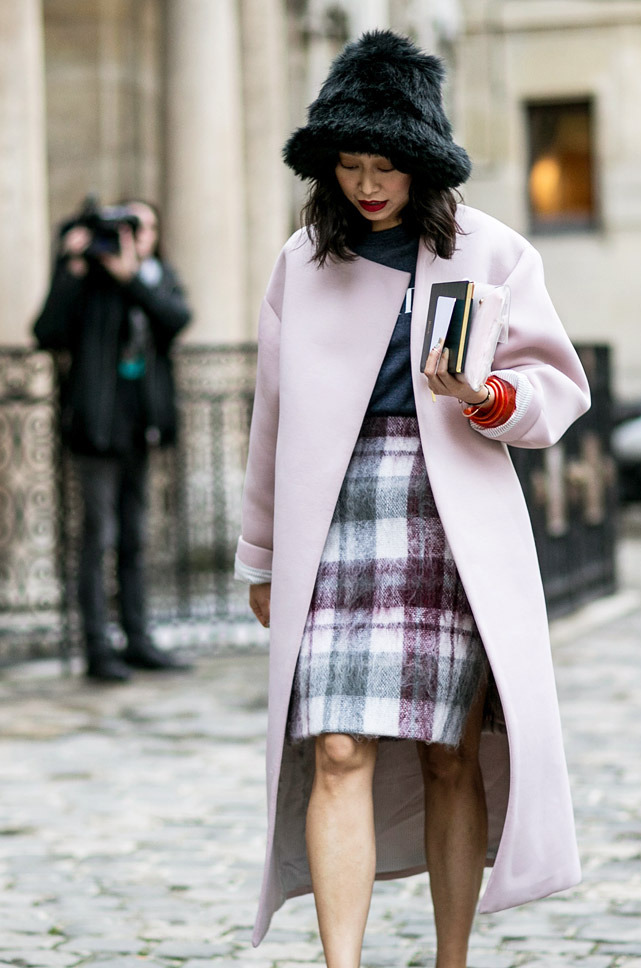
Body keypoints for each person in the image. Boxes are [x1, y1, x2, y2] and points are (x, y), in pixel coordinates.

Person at [235, 30, 590, 968]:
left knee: (448, 751)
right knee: (336, 747)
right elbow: (271, 419)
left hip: (450, 520)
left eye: (384, 165)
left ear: (421, 161)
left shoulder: (492, 250)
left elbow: (557, 392)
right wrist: (261, 557)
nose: (366, 184)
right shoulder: (301, 262)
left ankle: (451, 960)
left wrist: (485, 394)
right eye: (349, 164)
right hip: (333, 518)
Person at [34, 198, 192, 682]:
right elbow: (46, 332)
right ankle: (98, 649)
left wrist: (132, 279)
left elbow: (177, 320)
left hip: (140, 428)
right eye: (127, 227)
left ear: (154, 237)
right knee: (97, 537)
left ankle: (138, 640)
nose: (134, 236)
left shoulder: (156, 279)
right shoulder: (88, 282)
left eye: (143, 228)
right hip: (95, 429)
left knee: (134, 538)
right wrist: (69, 264)